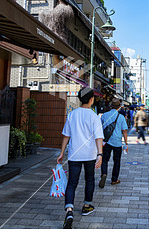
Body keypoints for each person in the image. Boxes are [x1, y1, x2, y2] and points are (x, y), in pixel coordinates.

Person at [57, 87, 103, 229]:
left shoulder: (72, 114)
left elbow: (66, 135)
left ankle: (69, 211)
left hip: (74, 154)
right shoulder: (94, 117)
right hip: (89, 155)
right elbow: (98, 137)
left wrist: (61, 153)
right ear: (91, 99)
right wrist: (100, 154)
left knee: (72, 183)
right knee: (89, 179)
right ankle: (86, 205)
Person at [99, 99, 128, 188]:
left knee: (104, 160)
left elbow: (100, 129)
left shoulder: (104, 115)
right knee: (117, 161)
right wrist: (126, 143)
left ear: (111, 106)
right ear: (119, 107)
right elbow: (124, 131)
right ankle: (114, 179)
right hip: (117, 142)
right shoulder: (121, 117)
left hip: (106, 141)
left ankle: (104, 174)